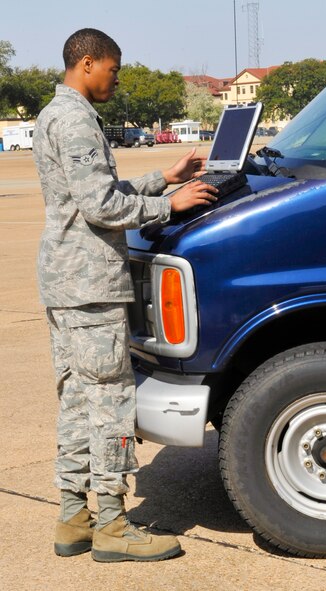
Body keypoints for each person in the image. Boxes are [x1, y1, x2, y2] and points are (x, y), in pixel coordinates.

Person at [32, 27, 218, 563]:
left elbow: (96, 193)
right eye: (112, 68)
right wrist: (172, 206)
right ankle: (114, 524)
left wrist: (165, 177)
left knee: (75, 400)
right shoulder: (75, 119)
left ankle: (74, 515)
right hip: (90, 285)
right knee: (111, 401)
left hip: (67, 283)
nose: (116, 77)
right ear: (87, 63)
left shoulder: (55, 113)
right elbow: (101, 207)